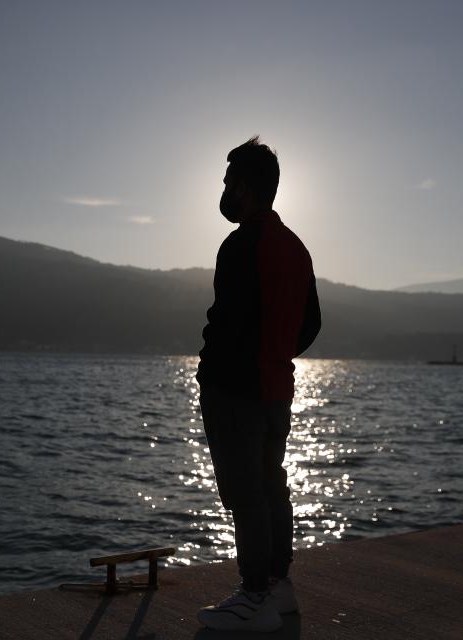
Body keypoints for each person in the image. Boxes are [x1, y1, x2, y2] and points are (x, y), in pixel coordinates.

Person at [196, 137, 321, 633]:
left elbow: (226, 321)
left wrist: (215, 364)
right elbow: (310, 324)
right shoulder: (296, 247)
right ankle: (278, 585)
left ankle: (252, 595)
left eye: (229, 182)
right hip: (276, 390)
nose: (225, 190)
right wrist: (278, 354)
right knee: (273, 488)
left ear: (245, 188)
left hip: (236, 391)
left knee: (244, 493)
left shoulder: (241, 244)